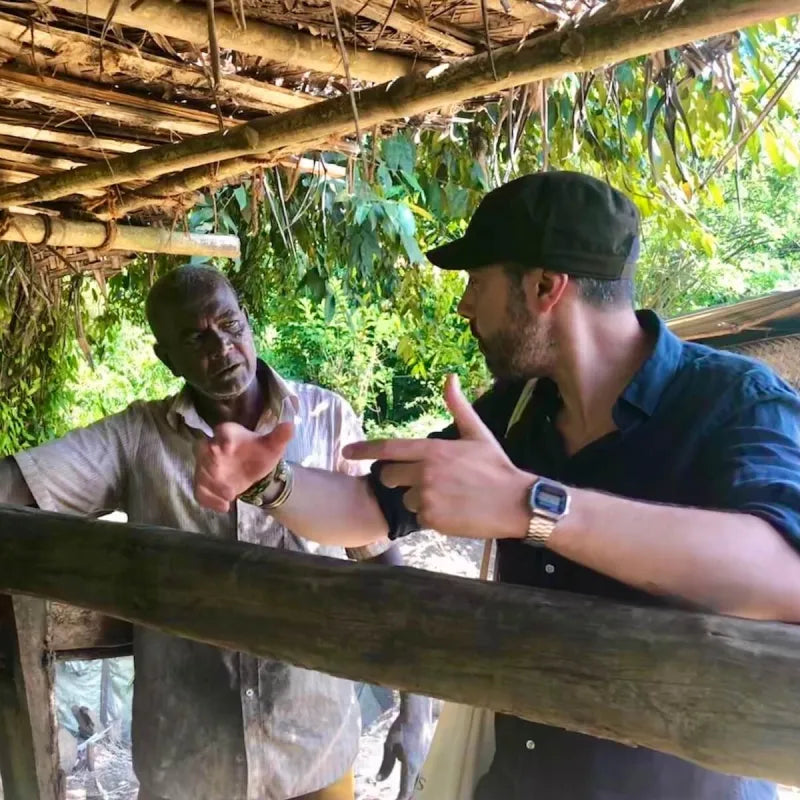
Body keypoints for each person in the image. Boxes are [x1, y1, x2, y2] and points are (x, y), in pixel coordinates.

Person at [195, 171, 800, 800]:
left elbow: (786, 579)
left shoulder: (733, 402)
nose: (463, 307)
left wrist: (529, 505)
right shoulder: (517, 410)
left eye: (476, 284)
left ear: (544, 287)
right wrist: (268, 481)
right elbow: (367, 508)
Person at [0, 266, 431, 800]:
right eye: (195, 338)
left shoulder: (323, 420)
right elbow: (18, 486)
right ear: (166, 358)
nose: (222, 347)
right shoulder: (139, 439)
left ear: (248, 322)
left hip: (313, 755)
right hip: (189, 767)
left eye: (230, 325)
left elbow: (384, 566)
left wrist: (417, 708)